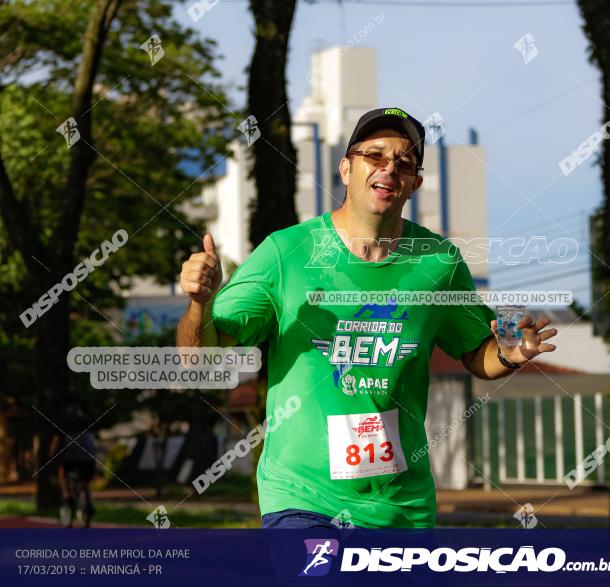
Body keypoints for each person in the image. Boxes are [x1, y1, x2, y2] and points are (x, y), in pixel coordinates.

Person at [176, 107, 558, 528]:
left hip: (402, 509)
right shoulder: (286, 254)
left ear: (415, 183)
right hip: (303, 497)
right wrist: (200, 305)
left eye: (404, 162)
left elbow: (476, 353)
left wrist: (508, 353)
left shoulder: (438, 263)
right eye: (374, 155)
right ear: (346, 168)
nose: (389, 168)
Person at [49, 406, 97, 527]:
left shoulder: (64, 424)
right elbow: (94, 439)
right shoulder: (86, 422)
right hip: (89, 456)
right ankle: (89, 502)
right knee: (85, 481)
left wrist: (51, 456)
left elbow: (54, 444)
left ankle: (66, 495)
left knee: (62, 473)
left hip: (72, 456)